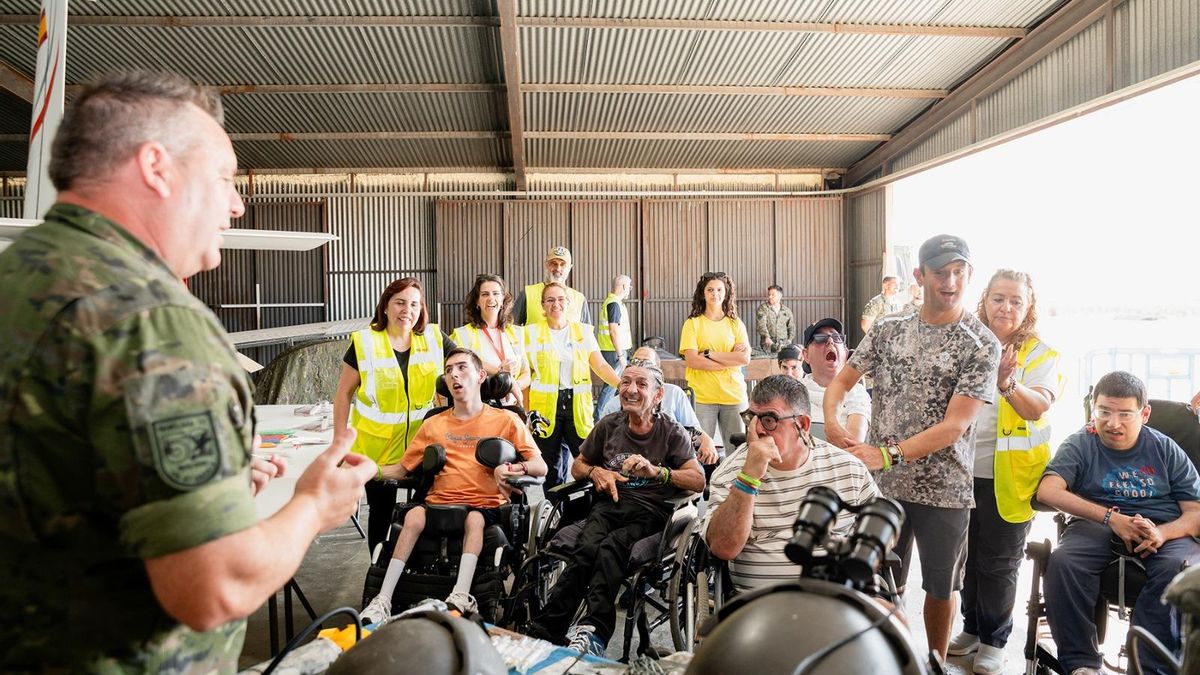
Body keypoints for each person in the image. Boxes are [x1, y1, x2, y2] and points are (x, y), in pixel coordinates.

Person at [0, 71, 376, 671]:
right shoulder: (150, 321)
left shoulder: (19, 277)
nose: (236, 203)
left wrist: (203, 487)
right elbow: (214, 588)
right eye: (225, 177)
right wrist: (313, 504)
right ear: (157, 167)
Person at [822, 234, 1001, 660]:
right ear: (920, 276)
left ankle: (935, 662)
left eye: (959, 272)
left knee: (941, 588)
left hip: (945, 489)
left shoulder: (981, 344)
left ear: (970, 275)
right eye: (941, 272)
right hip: (883, 487)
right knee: (880, 580)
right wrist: (831, 419)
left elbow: (955, 426)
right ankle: (885, 661)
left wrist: (885, 453)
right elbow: (843, 379)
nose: (951, 281)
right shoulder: (888, 328)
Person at [527, 360, 706, 656]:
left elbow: (698, 480)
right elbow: (578, 465)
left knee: (611, 548)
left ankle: (595, 630)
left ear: (658, 395)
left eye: (641, 384)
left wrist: (658, 473)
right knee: (585, 549)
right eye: (625, 383)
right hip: (608, 504)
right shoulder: (609, 425)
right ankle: (547, 629)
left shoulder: (671, 431)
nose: (631, 390)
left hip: (651, 511)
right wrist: (596, 472)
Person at [360, 348, 547, 623]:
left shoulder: (507, 420)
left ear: (481, 375)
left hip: (485, 504)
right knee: (412, 515)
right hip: (439, 502)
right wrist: (367, 471)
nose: (454, 375)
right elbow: (402, 469)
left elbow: (540, 466)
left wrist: (510, 468)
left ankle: (460, 595)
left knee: (473, 519)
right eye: (448, 371)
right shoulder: (433, 423)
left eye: (461, 368)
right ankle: (383, 599)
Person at [1038, 371, 1200, 675]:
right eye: (1104, 412)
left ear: (1145, 413)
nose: (1113, 423)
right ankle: (1081, 664)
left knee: (1178, 571)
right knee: (1064, 561)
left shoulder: (1165, 449)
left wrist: (1162, 533)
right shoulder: (1081, 443)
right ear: (1094, 410)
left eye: (1125, 414)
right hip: (1097, 521)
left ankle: (1149, 666)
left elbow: (1195, 512)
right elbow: (1048, 490)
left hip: (1164, 525)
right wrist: (1112, 518)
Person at [949, 270, 1062, 675]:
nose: (1006, 307)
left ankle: (995, 639)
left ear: (1028, 306)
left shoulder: (1039, 354)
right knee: (967, 559)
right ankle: (973, 628)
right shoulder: (967, 341)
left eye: (1016, 300)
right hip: (960, 471)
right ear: (985, 299)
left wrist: (1007, 382)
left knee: (999, 562)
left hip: (1009, 478)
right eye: (999, 298)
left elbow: (1037, 407)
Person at [703, 375, 879, 593]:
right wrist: (748, 478)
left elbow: (882, 535)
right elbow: (722, 548)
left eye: (769, 420)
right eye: (751, 418)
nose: (756, 431)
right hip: (759, 610)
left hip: (838, 605)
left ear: (802, 424)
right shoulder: (730, 471)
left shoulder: (849, 469)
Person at [333, 277, 458, 554]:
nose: (407, 310)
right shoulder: (365, 343)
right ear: (386, 306)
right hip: (376, 448)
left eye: (414, 304)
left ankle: (415, 572)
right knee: (381, 515)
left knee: (425, 512)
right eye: (400, 302)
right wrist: (339, 444)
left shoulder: (435, 339)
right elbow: (343, 395)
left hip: (423, 447)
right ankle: (379, 574)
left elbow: (466, 364)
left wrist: (499, 375)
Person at [524, 282, 620, 487]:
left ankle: (587, 510)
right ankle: (556, 514)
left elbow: (601, 365)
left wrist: (622, 385)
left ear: (568, 303)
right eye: (549, 300)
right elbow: (525, 374)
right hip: (544, 410)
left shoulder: (583, 332)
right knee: (551, 465)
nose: (555, 304)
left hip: (577, 407)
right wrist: (526, 412)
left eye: (560, 299)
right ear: (542, 305)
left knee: (588, 459)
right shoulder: (530, 334)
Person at [599, 347, 720, 466]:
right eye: (635, 362)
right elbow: (601, 445)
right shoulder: (613, 405)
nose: (640, 367)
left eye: (646, 363)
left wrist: (706, 439)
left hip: (672, 459)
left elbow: (693, 429)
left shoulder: (674, 393)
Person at [680, 272, 751, 449]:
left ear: (726, 293)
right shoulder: (693, 324)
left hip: (734, 396)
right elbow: (692, 361)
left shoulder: (735, 324)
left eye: (719, 289)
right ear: (703, 293)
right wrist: (729, 361)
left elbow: (744, 358)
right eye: (710, 290)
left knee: (738, 451)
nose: (715, 294)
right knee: (700, 451)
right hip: (703, 397)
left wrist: (709, 354)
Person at [451, 274, 530, 406]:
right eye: (485, 294)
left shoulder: (516, 332)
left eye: (496, 293)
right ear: (477, 301)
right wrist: (500, 373)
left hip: (510, 409)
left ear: (503, 299)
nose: (491, 298)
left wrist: (512, 385)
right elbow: (464, 365)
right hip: (478, 408)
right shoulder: (462, 334)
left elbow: (526, 373)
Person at [798, 318, 870, 444]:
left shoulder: (857, 393)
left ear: (846, 353)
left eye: (837, 338)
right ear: (806, 355)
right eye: (820, 338)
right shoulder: (794, 392)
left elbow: (853, 443)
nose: (830, 341)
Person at [513, 246, 591, 325]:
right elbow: (511, 328)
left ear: (569, 268)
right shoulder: (527, 294)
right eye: (554, 264)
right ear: (546, 265)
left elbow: (587, 334)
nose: (558, 268)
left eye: (563, 264)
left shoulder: (580, 299)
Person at [595, 274, 633, 420]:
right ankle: (598, 418)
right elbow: (613, 330)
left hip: (613, 350)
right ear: (623, 286)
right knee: (611, 384)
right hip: (614, 351)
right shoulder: (614, 304)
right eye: (628, 286)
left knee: (614, 384)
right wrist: (621, 356)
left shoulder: (614, 302)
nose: (629, 289)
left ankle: (610, 415)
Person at [755, 284, 795, 354]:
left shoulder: (786, 311)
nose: (770, 297)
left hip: (783, 344)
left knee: (783, 362)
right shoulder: (763, 308)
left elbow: (791, 327)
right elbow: (761, 324)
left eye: (773, 295)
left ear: (780, 296)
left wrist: (789, 340)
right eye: (769, 294)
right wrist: (766, 337)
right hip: (768, 343)